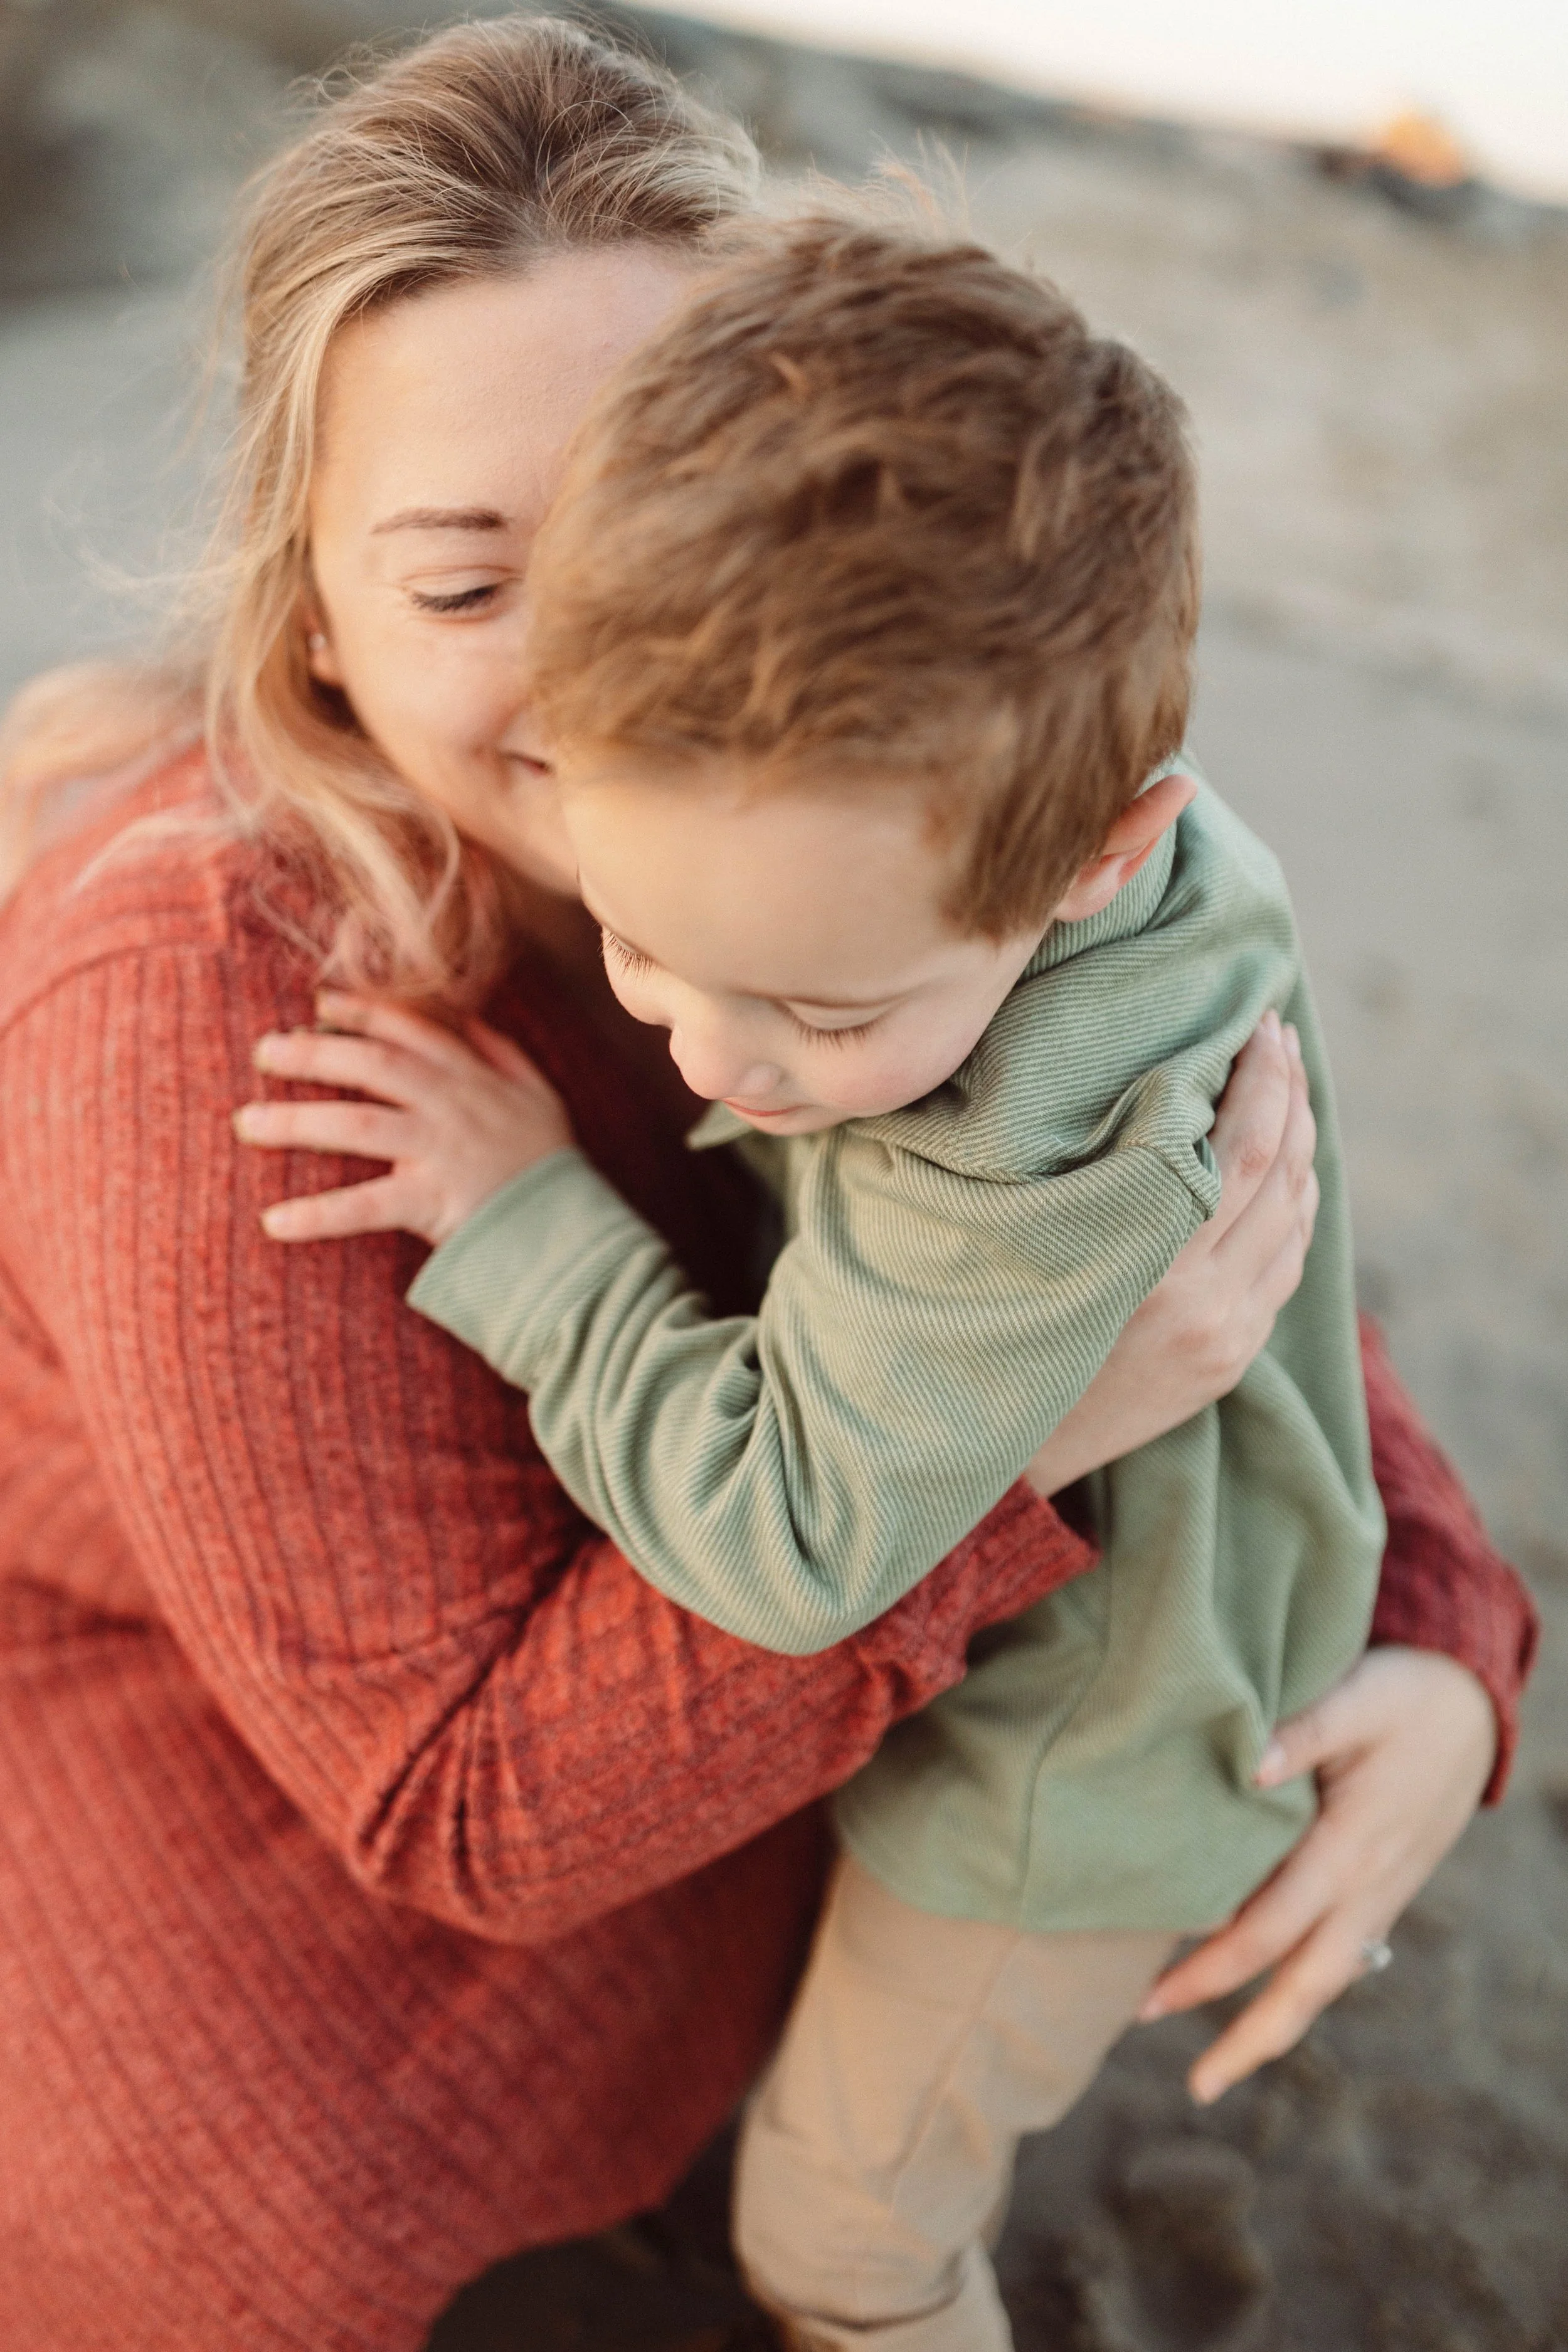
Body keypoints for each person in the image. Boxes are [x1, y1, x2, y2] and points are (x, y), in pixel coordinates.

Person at [0, 19, 1534, 2352]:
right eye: (460, 581)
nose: (611, 654)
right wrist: (1032, 1434)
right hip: (323, 1942)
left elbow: (1192, 1175)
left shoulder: (851, 752)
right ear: (307, 604)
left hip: (746, 1786)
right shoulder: (207, 999)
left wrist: (1435, 1629)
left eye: (644, 513)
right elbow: (468, 1810)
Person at [232, 218, 1387, 2349]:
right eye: (651, 944)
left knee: (846, 2238)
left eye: (816, 1010)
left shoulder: (1015, 1167)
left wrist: (525, 1223)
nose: (709, 1056)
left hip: (1054, 1792)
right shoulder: (1095, 821)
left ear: (1089, 857)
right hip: (1183, 1632)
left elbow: (786, 1539)